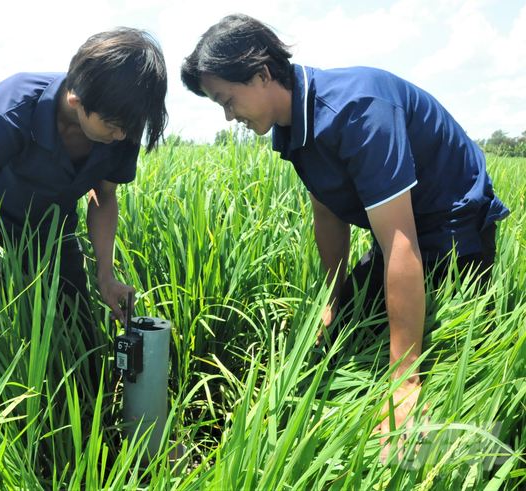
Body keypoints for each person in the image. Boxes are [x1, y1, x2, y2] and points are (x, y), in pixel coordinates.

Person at [181, 14, 509, 461]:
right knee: (337, 339)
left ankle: (461, 454)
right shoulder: (292, 126)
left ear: (261, 74)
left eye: (228, 99)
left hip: (452, 230)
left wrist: (405, 381)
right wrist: (333, 300)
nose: (228, 115)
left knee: (451, 365)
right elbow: (328, 215)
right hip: (398, 232)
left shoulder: (357, 109)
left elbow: (400, 243)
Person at [0, 28, 168, 369]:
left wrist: (105, 276)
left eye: (130, 129)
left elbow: (104, 196)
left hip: (56, 237)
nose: (122, 137)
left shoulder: (123, 126)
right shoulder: (8, 113)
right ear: (77, 101)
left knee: (84, 361)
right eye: (114, 126)